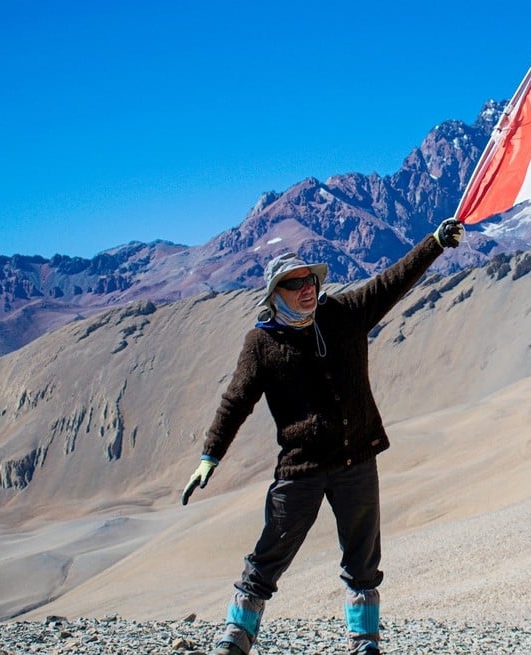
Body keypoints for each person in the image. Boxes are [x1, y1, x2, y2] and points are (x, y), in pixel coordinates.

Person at [182, 218, 464, 655]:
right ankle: (237, 634)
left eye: (310, 279)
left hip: (356, 460)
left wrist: (435, 243)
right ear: (276, 294)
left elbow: (393, 281)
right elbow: (236, 400)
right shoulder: (261, 344)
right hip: (302, 467)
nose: (307, 288)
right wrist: (210, 455)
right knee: (270, 552)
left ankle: (364, 640)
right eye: (295, 284)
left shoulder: (342, 315)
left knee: (363, 558)